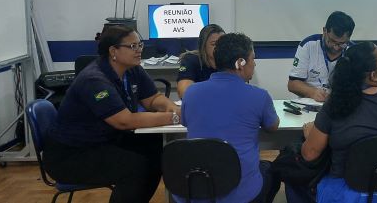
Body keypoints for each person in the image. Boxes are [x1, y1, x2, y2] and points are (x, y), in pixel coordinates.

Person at [44, 25, 181, 203]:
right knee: (135, 167)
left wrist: (172, 107)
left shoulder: (132, 69)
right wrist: (175, 118)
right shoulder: (94, 79)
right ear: (113, 51)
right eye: (132, 47)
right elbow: (124, 121)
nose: (139, 50)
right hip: (71, 155)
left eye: (140, 45)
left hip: (102, 141)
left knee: (155, 147)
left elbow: (152, 98)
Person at [300, 41, 377, 203]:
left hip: (345, 194)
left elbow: (309, 155)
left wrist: (310, 136)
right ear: (373, 75)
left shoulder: (334, 105)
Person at [178, 32, 280, 203]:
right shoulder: (259, 96)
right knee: (272, 171)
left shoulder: (191, 93)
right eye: (253, 59)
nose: (254, 64)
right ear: (240, 63)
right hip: (241, 193)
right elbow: (273, 127)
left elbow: (186, 122)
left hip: (196, 188)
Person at [288, 11, 355, 102]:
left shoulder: (354, 51)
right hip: (311, 103)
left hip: (341, 105)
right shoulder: (308, 45)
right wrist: (312, 92)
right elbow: (292, 84)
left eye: (341, 44)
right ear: (324, 31)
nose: (335, 47)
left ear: (349, 39)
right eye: (332, 41)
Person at [176, 24, 225, 98]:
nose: (219, 47)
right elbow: (184, 92)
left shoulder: (230, 61)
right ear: (203, 45)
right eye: (214, 44)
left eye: (222, 43)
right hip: (200, 105)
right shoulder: (191, 60)